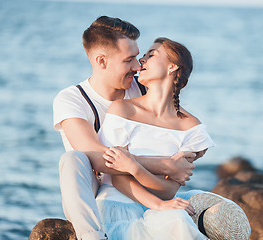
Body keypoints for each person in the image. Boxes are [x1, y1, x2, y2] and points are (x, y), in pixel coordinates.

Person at [53, 16, 197, 240]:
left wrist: (195, 145)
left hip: (140, 186)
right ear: (102, 61)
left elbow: (177, 117)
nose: (138, 65)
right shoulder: (72, 99)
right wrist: (166, 165)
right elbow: (97, 158)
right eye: (129, 59)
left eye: (138, 57)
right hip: (91, 192)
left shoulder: (141, 88)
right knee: (72, 160)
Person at [91, 37, 215, 239]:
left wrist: (133, 166)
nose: (141, 61)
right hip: (118, 203)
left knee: (176, 221)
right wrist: (158, 203)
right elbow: (117, 176)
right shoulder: (124, 109)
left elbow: (168, 191)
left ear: (172, 66)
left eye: (151, 55)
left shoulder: (191, 129)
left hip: (161, 208)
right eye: (144, 56)